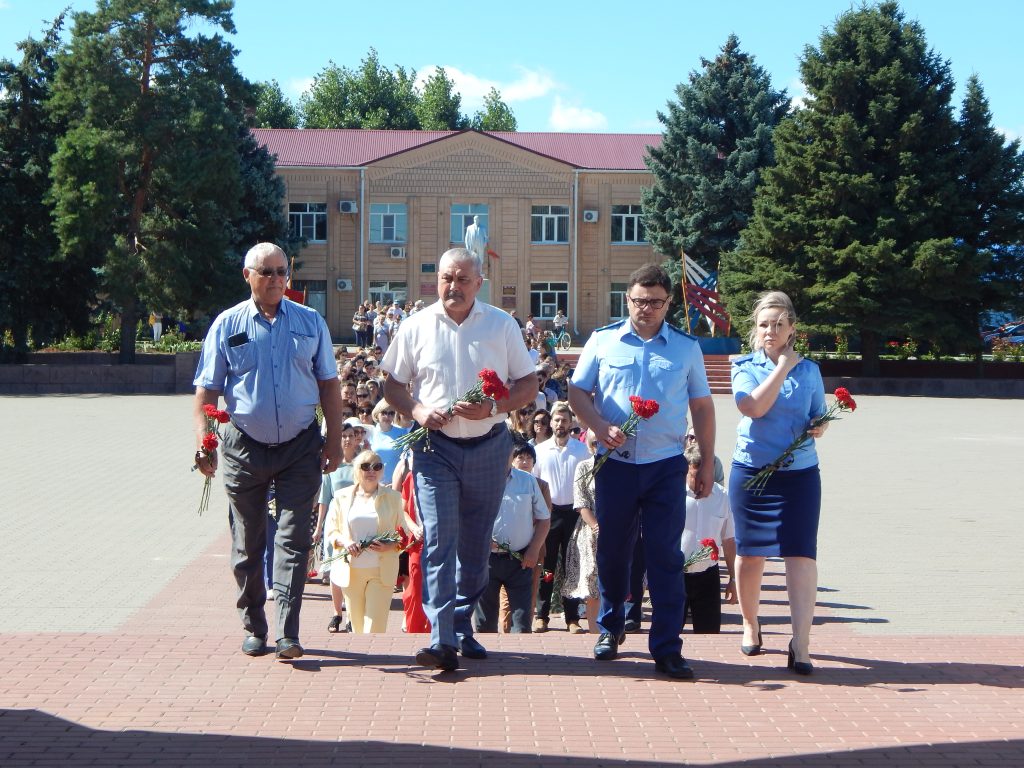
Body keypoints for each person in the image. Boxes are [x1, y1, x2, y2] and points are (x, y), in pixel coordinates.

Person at [382, 247, 536, 672]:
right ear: (437, 280)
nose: (453, 287)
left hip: (489, 446)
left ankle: (461, 622)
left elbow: (527, 384)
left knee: (474, 548)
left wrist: (494, 409)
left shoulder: (501, 325)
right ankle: (441, 637)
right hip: (434, 450)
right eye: (447, 278)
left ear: (479, 283)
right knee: (438, 539)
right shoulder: (415, 326)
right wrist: (415, 411)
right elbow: (392, 384)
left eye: (463, 279)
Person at [192, 242, 342, 661]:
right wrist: (204, 441)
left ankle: (288, 632)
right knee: (247, 544)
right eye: (267, 272)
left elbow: (329, 383)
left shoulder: (311, 322)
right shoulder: (227, 324)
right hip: (244, 447)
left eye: (281, 272)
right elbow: (207, 388)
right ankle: (254, 626)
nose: (276, 279)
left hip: (299, 447)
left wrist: (333, 440)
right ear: (248, 276)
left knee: (293, 542)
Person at [568, 263, 715, 681]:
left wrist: (704, 458)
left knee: (666, 556)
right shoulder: (603, 341)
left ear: (668, 303)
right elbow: (578, 391)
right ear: (626, 299)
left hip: (665, 465)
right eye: (638, 300)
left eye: (655, 301)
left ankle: (667, 647)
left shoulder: (686, 348)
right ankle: (611, 628)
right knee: (613, 551)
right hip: (615, 465)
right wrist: (599, 427)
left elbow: (702, 406)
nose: (646, 308)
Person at [728, 290, 828, 675]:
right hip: (753, 473)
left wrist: (820, 426)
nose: (770, 331)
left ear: (792, 329)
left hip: (800, 474)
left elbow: (819, 414)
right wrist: (782, 367)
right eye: (764, 325)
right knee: (751, 554)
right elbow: (752, 406)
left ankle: (801, 642)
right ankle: (751, 624)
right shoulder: (745, 365)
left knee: (801, 554)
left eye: (778, 324)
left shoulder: (811, 370)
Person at [324, 450, 419, 634]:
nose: (371, 471)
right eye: (365, 466)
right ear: (357, 470)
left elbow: (404, 534)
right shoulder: (342, 497)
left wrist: (391, 545)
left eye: (377, 466)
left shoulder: (393, 498)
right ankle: (363, 662)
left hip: (381, 571)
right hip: (351, 571)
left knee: (374, 627)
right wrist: (345, 542)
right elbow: (332, 531)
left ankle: (377, 657)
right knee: (357, 628)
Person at [474, 443, 550, 634]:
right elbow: (466, 516)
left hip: (520, 561)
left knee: (522, 625)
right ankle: (487, 663)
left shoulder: (527, 481)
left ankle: (521, 663)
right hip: (486, 561)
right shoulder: (478, 479)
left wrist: (534, 550)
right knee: (484, 625)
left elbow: (544, 519)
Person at [532, 403, 590, 634]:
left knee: (571, 567)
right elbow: (534, 485)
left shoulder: (581, 450)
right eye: (556, 420)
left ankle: (572, 618)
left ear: (570, 423)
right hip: (549, 514)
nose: (560, 424)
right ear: (551, 423)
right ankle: (542, 615)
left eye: (564, 420)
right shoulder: (541, 450)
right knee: (547, 566)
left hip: (574, 513)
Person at [681, 440, 737, 634]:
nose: (700, 484)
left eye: (705, 477)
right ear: (686, 470)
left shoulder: (723, 497)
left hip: (708, 575)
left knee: (709, 633)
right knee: (669, 632)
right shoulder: (673, 494)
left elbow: (729, 541)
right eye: (694, 477)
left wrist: (733, 579)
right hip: (676, 575)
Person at [314, 421, 362, 632]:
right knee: (335, 568)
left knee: (354, 568)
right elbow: (325, 498)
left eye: (351, 435)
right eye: (343, 436)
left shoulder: (361, 464)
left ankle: (352, 614)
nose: (348, 439)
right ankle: (336, 613)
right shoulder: (332, 465)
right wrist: (318, 528)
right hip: (335, 518)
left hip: (356, 518)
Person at [562, 430, 600, 632]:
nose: (596, 446)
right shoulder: (584, 467)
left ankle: (613, 630)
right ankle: (596, 635)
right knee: (592, 584)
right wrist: (597, 527)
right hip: (589, 533)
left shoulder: (620, 467)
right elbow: (581, 502)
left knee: (615, 584)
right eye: (593, 443)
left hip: (618, 531)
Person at [370, 398, 410, 483]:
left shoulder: (402, 432)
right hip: (375, 484)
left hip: (396, 484)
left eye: (391, 413)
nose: (387, 417)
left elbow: (406, 461)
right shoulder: (370, 432)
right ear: (377, 414)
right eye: (384, 413)